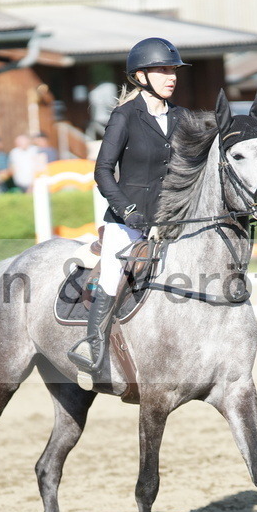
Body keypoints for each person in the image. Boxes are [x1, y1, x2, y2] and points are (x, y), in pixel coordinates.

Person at [67, 37, 189, 375]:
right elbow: (102, 171)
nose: (171, 76)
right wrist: (127, 211)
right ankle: (92, 346)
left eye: (173, 70)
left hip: (174, 220)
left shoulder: (182, 117)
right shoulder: (125, 116)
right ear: (140, 76)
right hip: (129, 220)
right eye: (162, 70)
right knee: (112, 272)